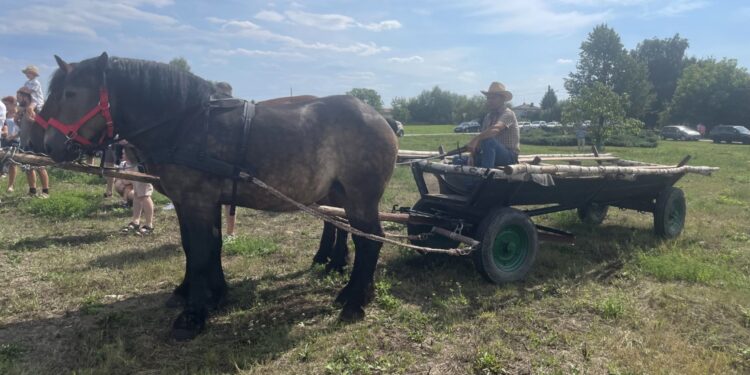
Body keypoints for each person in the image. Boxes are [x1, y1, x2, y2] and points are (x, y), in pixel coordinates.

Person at [466, 82, 519, 168]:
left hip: (508, 157)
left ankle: (485, 176)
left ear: (502, 99)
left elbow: (495, 129)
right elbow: (482, 139)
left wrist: (476, 138)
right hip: (490, 155)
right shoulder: (488, 117)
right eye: (488, 98)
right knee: (459, 160)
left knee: (489, 141)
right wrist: (472, 155)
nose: (489, 101)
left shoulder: (508, 114)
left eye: (493, 98)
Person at [15, 90, 50, 197]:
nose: (18, 99)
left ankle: (45, 192)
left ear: (25, 97)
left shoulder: (36, 109)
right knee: (28, 168)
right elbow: (22, 127)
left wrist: (32, 120)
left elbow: (45, 125)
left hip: (35, 142)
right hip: (24, 142)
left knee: (40, 167)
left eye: (19, 97)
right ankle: (32, 191)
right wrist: (17, 120)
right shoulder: (23, 110)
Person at [116, 145, 155, 235]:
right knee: (137, 194)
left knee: (145, 195)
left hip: (140, 165)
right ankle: (135, 221)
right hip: (134, 163)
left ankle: (149, 225)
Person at [215, 81, 237, 237]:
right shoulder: (213, 111)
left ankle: (230, 233)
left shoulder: (235, 111)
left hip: (230, 162)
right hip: (215, 161)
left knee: (229, 201)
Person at [2, 96, 21, 192]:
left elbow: (23, 129)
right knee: (1, 161)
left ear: (14, 104)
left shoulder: (19, 115)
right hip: (4, 140)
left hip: (15, 141)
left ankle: (10, 185)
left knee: (13, 163)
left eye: (6, 104)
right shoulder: (4, 115)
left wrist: (13, 136)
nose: (5, 106)